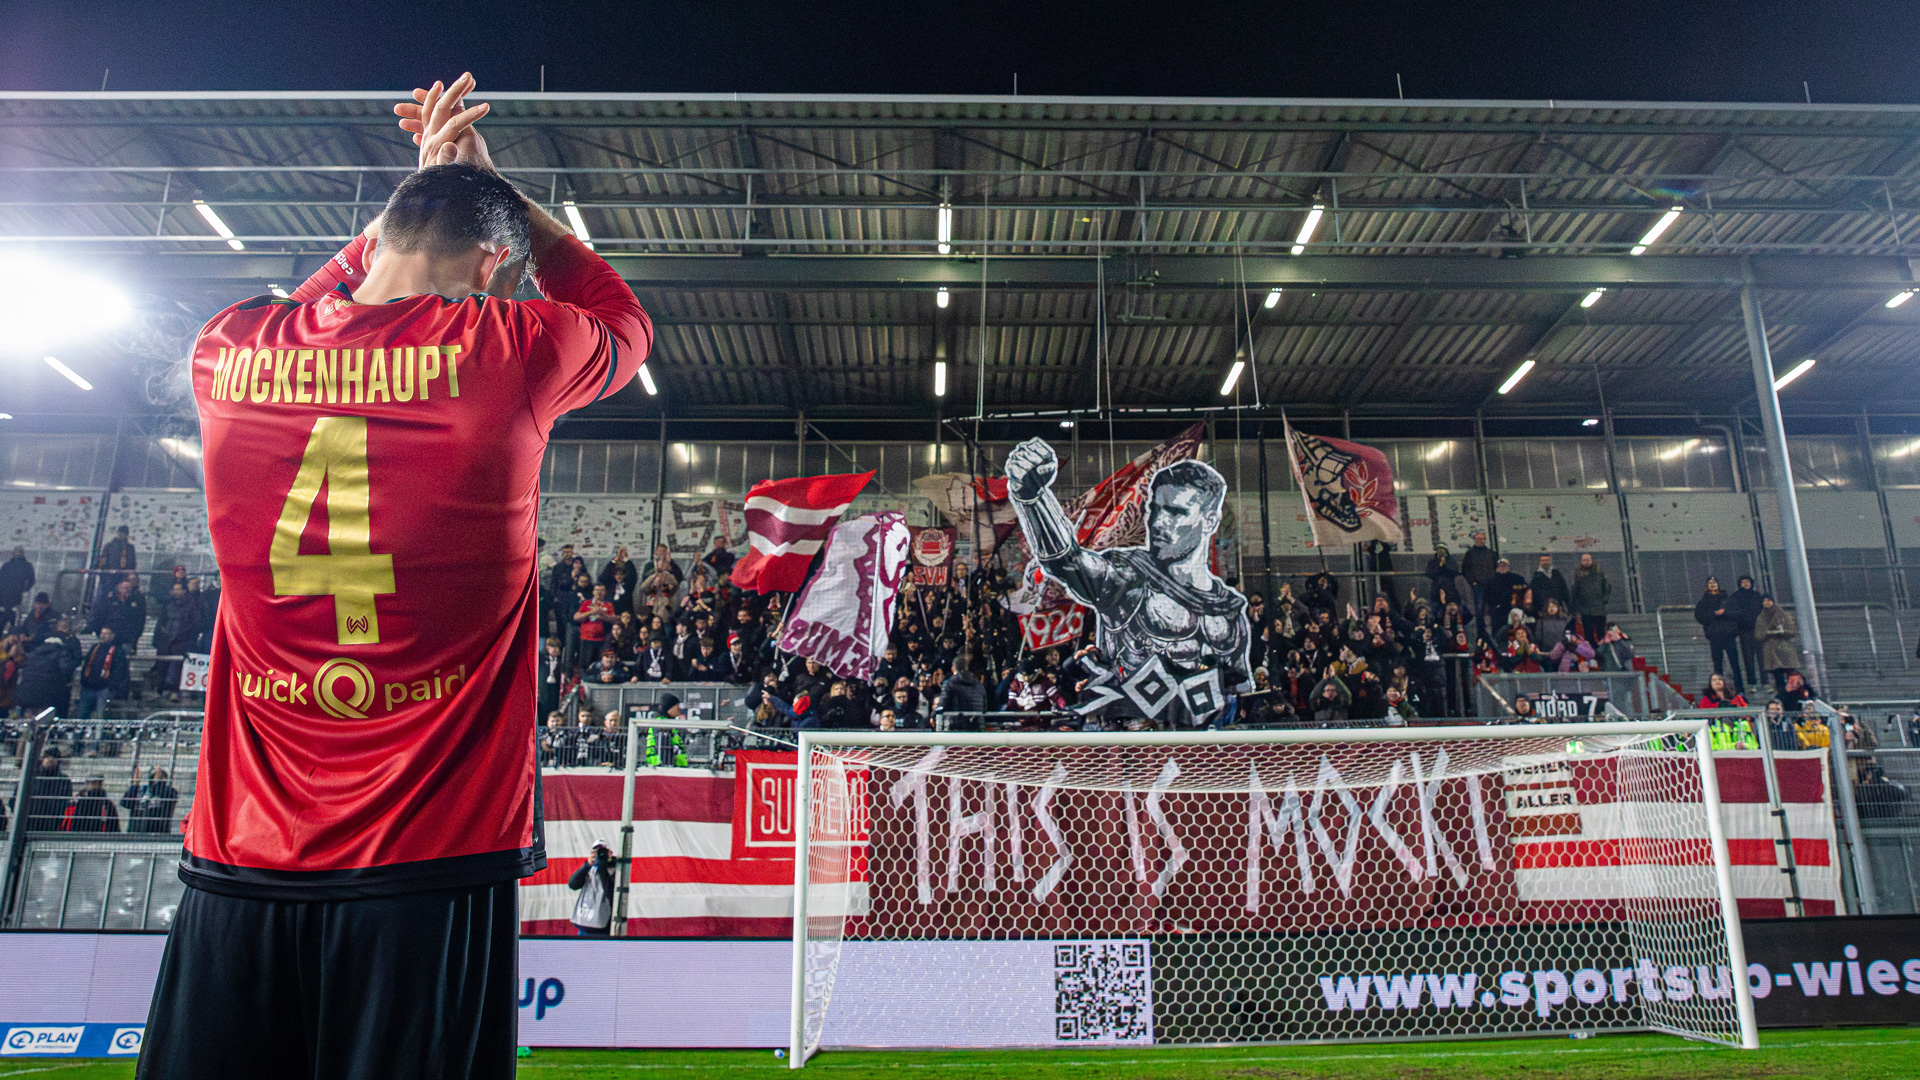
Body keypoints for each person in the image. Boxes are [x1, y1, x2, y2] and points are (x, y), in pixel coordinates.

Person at [140, 76, 653, 1080]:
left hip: (239, 857)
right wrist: (505, 197)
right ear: (495, 265)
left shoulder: (228, 348)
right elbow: (622, 321)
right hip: (429, 862)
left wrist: (415, 197)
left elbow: (313, 301)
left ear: (378, 240)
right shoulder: (513, 347)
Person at [1004, 441, 1249, 727]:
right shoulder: (1126, 576)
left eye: (1176, 512)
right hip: (1124, 739)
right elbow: (1066, 560)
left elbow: (1237, 690)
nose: (1159, 522)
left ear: (1209, 521)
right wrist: (1032, 497)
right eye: (1155, 509)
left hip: (1193, 746)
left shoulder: (1229, 611)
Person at [1693, 576, 1745, 695]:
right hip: (1714, 636)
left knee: (1735, 664)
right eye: (1710, 583)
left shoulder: (1728, 599)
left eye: (1714, 582)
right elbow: (1700, 616)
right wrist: (1713, 614)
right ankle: (1719, 691)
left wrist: (1725, 613)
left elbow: (1738, 613)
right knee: (1718, 665)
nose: (1712, 584)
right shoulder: (1703, 601)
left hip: (1729, 635)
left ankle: (1740, 689)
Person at [76, 626, 130, 720]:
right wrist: (84, 680)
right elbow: (86, 664)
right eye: (102, 633)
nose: (103, 636)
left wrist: (111, 686)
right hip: (88, 687)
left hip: (104, 689)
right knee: (82, 715)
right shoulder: (94, 648)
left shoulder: (118, 651)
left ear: (112, 636)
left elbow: (120, 671)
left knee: (100, 716)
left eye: (106, 633)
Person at [567, 841, 617, 938]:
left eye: (602, 851)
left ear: (610, 852)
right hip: (583, 923)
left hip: (603, 926)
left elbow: (610, 891)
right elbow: (573, 885)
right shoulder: (589, 868)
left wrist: (603, 865)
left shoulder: (615, 868)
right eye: (595, 852)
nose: (600, 854)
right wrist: (587, 865)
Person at [1754, 595, 1800, 697]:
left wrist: (1781, 632)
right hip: (1770, 651)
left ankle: (1795, 694)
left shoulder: (1783, 615)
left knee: (1791, 674)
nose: (1766, 602)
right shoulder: (1760, 618)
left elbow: (1793, 631)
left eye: (1768, 600)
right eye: (1764, 601)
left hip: (1784, 649)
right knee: (1777, 676)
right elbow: (1758, 636)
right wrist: (1767, 633)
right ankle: (1783, 695)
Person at [1726, 575, 1765, 689]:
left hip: (1758, 630)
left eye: (1748, 581)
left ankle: (1765, 682)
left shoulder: (1757, 596)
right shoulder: (1735, 597)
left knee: (1762, 657)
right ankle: (1752, 684)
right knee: (1748, 658)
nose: (1746, 584)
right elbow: (1732, 613)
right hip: (1744, 631)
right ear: (1740, 584)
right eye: (1743, 582)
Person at [1459, 531, 1498, 640]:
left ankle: (1493, 634)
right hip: (1478, 586)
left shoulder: (1491, 553)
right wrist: (1473, 582)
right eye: (1478, 539)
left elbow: (1496, 568)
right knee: (1479, 610)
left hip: (1490, 585)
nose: (1481, 541)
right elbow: (1465, 570)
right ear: (1475, 540)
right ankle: (1481, 633)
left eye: (1482, 539)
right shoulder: (1470, 554)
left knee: (1492, 609)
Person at [122, 767, 180, 834]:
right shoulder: (140, 789)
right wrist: (135, 784)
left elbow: (169, 798)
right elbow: (125, 803)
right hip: (135, 832)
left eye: (160, 777)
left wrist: (159, 783)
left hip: (158, 834)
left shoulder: (170, 791)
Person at [26, 749, 72, 832]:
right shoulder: (31, 777)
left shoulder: (64, 780)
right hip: (29, 820)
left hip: (51, 821)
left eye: (54, 758)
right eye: (47, 757)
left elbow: (66, 801)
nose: (50, 760)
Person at [1570, 553, 1611, 641]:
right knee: (1588, 634)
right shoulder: (1577, 575)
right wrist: (1576, 608)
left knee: (1601, 634)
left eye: (1588, 559)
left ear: (1592, 560)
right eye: (1584, 560)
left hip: (1599, 609)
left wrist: (1604, 600)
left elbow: (1607, 588)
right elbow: (1574, 592)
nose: (1586, 562)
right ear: (1581, 561)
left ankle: (1602, 649)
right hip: (1585, 610)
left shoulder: (1600, 573)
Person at [0, 546, 33, 628]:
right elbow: (32, 581)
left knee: (2, 621)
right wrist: (25, 590)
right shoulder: (27, 566)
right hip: (17, 598)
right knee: (14, 623)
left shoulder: (6, 566)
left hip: (3, 598)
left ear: (13, 554)